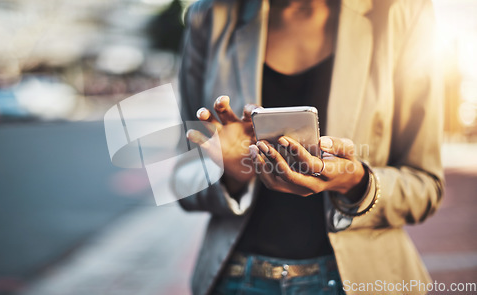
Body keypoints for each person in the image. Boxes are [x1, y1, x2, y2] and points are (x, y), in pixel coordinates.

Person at [173, 0, 443, 294]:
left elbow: (425, 184)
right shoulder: (210, 15)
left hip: (360, 281)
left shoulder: (401, 11)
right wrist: (229, 175)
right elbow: (183, 179)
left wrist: (357, 183)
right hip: (237, 279)